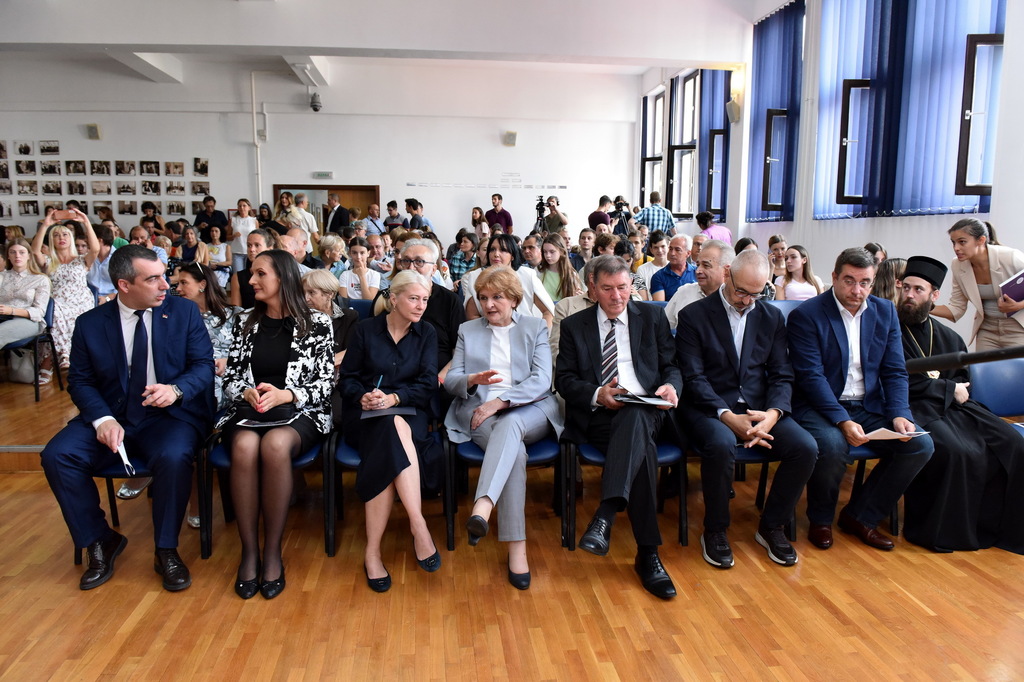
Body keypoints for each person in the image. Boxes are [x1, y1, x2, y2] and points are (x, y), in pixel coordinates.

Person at [40, 245, 215, 591]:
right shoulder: (90, 324)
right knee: (57, 456)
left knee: (175, 455)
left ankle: (166, 549)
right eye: (153, 279)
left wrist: (176, 389)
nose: (166, 285)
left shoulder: (183, 312)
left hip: (168, 416)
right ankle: (100, 540)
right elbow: (81, 381)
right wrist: (102, 419)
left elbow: (203, 366)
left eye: (164, 275)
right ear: (124, 285)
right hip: (112, 415)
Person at [676, 250, 816, 568]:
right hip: (709, 407)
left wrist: (773, 414)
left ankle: (772, 526)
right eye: (741, 292)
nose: (747, 301)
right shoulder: (693, 315)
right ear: (727, 274)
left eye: (756, 293)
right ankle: (715, 530)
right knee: (721, 443)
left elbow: (782, 374)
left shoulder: (771, 317)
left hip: (759, 408)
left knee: (805, 448)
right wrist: (726, 416)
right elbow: (693, 378)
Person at [788, 247, 933, 551]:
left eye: (865, 283)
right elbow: (811, 377)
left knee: (919, 445)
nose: (857, 291)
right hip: (820, 406)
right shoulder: (807, 315)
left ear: (873, 281)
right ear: (834, 277)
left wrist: (900, 413)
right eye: (849, 281)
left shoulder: (885, 311)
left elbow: (894, 370)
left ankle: (860, 516)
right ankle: (821, 520)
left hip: (869, 405)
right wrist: (842, 420)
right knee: (833, 445)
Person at [555, 256, 681, 600]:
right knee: (642, 448)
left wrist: (671, 386)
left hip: (650, 409)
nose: (616, 296)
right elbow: (564, 380)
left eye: (623, 288)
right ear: (593, 288)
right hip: (600, 418)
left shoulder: (652, 317)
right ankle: (647, 555)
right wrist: (598, 393)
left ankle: (606, 515)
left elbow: (672, 365)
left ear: (631, 286)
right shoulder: (575, 325)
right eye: (608, 288)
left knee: (636, 414)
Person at [216, 249, 334, 600]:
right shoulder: (243, 321)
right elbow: (230, 379)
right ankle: (249, 551)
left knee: (275, 444)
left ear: (282, 277)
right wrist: (246, 391)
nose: (251, 280)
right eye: (252, 274)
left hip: (300, 411)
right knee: (244, 445)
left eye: (260, 274)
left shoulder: (317, 322)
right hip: (250, 410)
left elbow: (325, 383)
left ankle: (271, 553)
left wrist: (287, 395)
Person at [443, 267, 564, 589]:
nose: (489, 305)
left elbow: (541, 380)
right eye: (483, 298)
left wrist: (500, 402)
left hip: (531, 408)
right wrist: (471, 379)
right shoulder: (468, 330)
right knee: (515, 453)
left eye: (497, 297)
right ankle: (516, 548)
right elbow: (452, 380)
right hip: (480, 412)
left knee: (510, 422)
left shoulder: (535, 327)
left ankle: (483, 505)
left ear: (513, 299)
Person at [896, 256, 1024, 554]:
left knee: (1013, 443)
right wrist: (946, 388)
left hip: (952, 407)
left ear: (934, 296)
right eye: (906, 288)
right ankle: (947, 533)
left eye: (918, 290)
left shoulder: (949, 337)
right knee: (960, 452)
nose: (910, 295)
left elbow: (963, 383)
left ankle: (1001, 529)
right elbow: (893, 378)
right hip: (912, 407)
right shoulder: (887, 331)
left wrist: (950, 389)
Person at [338, 270, 445, 593]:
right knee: (389, 426)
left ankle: (373, 552)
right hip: (366, 414)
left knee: (393, 427)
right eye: (414, 298)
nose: (421, 306)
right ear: (394, 299)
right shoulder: (365, 330)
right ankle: (418, 524)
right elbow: (347, 379)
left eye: (425, 299)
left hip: (410, 411)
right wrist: (363, 396)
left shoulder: (427, 333)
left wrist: (395, 398)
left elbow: (428, 383)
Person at [930, 218, 1024, 350]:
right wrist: (924, 307)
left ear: (981, 240)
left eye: (962, 242)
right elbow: (956, 308)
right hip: (987, 330)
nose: (956, 248)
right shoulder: (958, 265)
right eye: (953, 242)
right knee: (983, 364)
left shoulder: (1010, 257)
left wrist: (1018, 305)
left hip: (1019, 328)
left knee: (1017, 364)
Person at [31, 209, 99, 369]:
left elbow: (95, 249)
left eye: (65, 235)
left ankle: (55, 360)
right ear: (51, 240)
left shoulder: (82, 260)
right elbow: (34, 250)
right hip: (58, 304)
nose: (61, 238)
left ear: (71, 238)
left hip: (81, 302)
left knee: (64, 317)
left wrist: (86, 222)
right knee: (54, 313)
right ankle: (64, 354)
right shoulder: (48, 261)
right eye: (56, 235)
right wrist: (45, 225)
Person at [462, 233, 554, 326]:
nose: (496, 254)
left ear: (512, 255)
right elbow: (472, 316)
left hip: (526, 331)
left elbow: (548, 312)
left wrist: (541, 333)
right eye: (492, 250)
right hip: (488, 332)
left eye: (503, 250)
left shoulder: (527, 275)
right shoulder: (476, 276)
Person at [0, 238, 52, 380]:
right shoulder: (2, 277)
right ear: (8, 256)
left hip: (29, 321)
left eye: (22, 252)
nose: (17, 256)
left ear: (29, 255)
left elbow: (39, 312)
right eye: (13, 252)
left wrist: (11, 311)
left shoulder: (40, 279)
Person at [664, 239, 732, 330]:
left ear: (726, 271)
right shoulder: (684, 292)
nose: (698, 271)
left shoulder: (734, 300)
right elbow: (663, 328)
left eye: (706, 265)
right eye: (698, 265)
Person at [302, 269, 359, 374]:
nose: (306, 298)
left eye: (311, 292)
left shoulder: (348, 317)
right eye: (303, 293)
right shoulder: (298, 318)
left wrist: (322, 365)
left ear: (330, 294)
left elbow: (351, 351)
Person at [229, 228, 275, 309]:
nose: (252, 249)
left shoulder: (277, 274)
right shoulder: (238, 277)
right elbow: (236, 310)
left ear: (269, 249)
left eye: (257, 245)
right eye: (249, 245)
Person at [537, 233, 582, 303]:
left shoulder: (571, 274)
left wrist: (579, 296)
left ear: (561, 251)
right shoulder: (538, 272)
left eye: (552, 252)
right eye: (545, 252)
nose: (548, 255)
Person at [650, 235, 696, 302]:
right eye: (670, 249)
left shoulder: (697, 272)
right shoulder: (659, 277)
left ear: (688, 253)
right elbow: (660, 305)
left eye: (677, 250)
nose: (672, 253)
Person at [87, 225, 118, 305]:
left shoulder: (119, 257)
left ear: (99, 240)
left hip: (113, 300)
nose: (86, 241)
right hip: (89, 298)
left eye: (89, 238)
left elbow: (124, 286)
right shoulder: (88, 257)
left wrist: (106, 298)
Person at [228, 199, 257, 273]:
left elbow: (258, 237)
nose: (242, 208)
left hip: (251, 252)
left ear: (249, 207)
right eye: (240, 206)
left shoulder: (254, 221)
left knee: (251, 273)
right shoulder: (233, 220)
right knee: (238, 275)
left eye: (244, 206)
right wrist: (233, 236)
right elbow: (227, 237)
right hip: (237, 252)